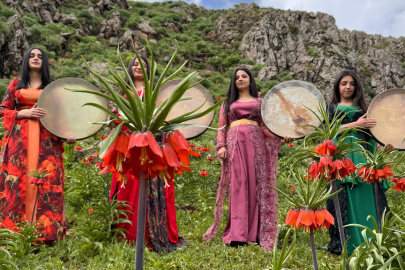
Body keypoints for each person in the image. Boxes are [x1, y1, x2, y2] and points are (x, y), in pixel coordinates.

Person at [203, 67, 293, 250]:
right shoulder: (228, 103)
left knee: (257, 185)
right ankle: (237, 233)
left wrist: (281, 136)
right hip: (235, 143)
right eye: (237, 77)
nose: (240, 79)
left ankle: (257, 233)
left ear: (251, 80)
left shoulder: (260, 102)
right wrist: (220, 146)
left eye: (244, 76)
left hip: (256, 144)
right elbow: (222, 127)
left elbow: (265, 127)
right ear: (233, 82)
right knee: (238, 185)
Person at [109, 55, 186, 253]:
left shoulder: (156, 94)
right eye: (134, 64)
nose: (138, 67)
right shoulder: (123, 94)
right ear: (129, 68)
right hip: (128, 146)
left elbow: (165, 119)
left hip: (150, 148)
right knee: (129, 189)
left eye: (142, 65)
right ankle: (127, 234)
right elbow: (117, 120)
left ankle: (151, 235)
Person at [0, 48, 75, 242]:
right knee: (17, 182)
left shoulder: (52, 88)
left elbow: (60, 116)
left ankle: (47, 235)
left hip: (46, 142)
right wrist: (22, 113)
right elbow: (3, 109)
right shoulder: (16, 84)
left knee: (47, 182)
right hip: (20, 142)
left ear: (45, 62)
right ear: (26, 60)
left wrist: (68, 135)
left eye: (40, 56)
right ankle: (15, 232)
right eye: (32, 56)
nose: (36, 58)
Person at [326, 70, 394, 255]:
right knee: (343, 198)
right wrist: (354, 125)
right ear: (337, 86)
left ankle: (372, 244)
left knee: (368, 197)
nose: (348, 87)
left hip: (362, 160)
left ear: (357, 87)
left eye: (352, 84)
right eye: (344, 83)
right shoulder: (330, 108)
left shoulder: (366, 111)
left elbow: (372, 140)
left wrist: (383, 149)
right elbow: (327, 133)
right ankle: (349, 245)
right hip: (340, 160)